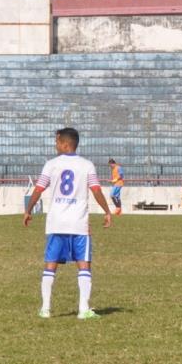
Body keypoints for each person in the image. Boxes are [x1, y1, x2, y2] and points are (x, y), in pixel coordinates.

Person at [25, 127, 113, 321]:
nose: (56, 145)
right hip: (78, 224)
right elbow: (96, 190)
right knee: (84, 265)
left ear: (65, 144)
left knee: (50, 265)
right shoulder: (86, 165)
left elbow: (39, 189)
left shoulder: (51, 165)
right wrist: (107, 211)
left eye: (57, 142)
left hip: (56, 223)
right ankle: (83, 309)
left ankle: (46, 309)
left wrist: (28, 209)